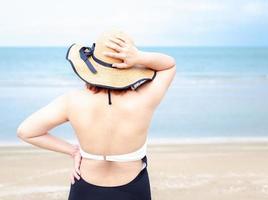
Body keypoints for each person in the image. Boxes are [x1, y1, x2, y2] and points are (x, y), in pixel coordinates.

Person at [17, 29, 176, 200]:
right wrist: (139, 57)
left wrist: (73, 151)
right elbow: (169, 65)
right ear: (129, 68)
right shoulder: (145, 98)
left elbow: (26, 131)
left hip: (85, 186)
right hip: (133, 189)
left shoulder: (72, 101)